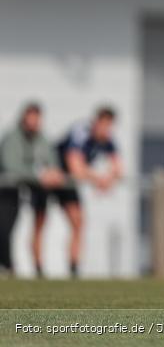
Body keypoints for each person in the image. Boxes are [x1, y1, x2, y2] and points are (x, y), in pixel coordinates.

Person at [55, 106, 123, 277]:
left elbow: (118, 168)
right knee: (39, 221)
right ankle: (38, 269)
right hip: (53, 177)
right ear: (96, 122)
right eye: (104, 125)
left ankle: (74, 268)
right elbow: (75, 168)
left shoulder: (107, 138)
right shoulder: (80, 131)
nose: (106, 130)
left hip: (67, 184)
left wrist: (108, 179)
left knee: (78, 222)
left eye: (109, 126)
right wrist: (98, 178)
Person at [0, 103, 66, 277]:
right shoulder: (12, 138)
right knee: (3, 228)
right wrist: (39, 176)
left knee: (34, 223)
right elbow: (11, 167)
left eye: (37, 119)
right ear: (24, 119)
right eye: (31, 119)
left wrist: (52, 173)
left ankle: (35, 265)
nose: (34, 123)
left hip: (29, 189)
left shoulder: (41, 139)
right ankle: (7, 266)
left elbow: (50, 160)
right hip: (6, 190)